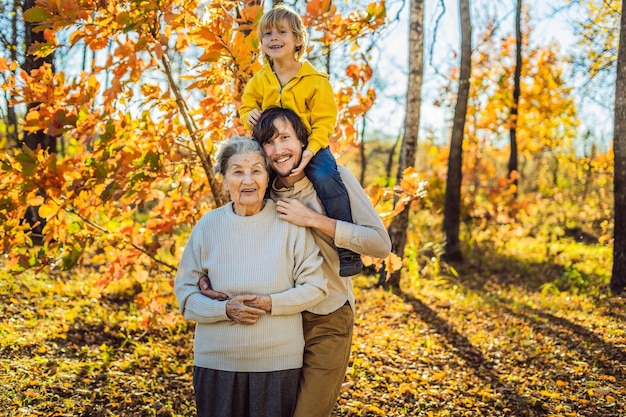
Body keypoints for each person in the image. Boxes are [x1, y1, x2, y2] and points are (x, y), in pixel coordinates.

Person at [201, 107, 392, 417]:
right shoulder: (265, 192)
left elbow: (380, 245)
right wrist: (208, 276)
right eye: (269, 143)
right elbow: (239, 236)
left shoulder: (337, 180)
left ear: (303, 141)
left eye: (286, 138)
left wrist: (315, 220)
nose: (279, 150)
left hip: (328, 316)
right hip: (279, 322)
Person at [174, 137, 328, 417]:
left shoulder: (289, 223)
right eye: (237, 171)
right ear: (224, 179)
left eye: (256, 170)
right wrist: (224, 309)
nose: (248, 179)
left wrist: (270, 303)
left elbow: (317, 286)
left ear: (268, 176)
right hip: (216, 363)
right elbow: (185, 296)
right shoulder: (208, 226)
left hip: (277, 364)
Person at [239, 3, 363, 277]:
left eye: (281, 32)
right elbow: (247, 104)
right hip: (271, 146)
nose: (274, 38)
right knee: (251, 178)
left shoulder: (315, 80)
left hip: (311, 145)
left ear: (298, 40)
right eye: (267, 33)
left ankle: (348, 249)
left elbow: (324, 122)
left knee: (326, 177)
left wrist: (311, 151)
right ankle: (247, 240)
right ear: (261, 42)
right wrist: (248, 114)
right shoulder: (260, 79)